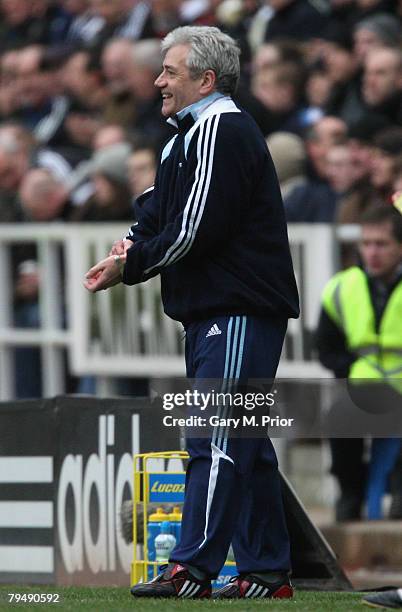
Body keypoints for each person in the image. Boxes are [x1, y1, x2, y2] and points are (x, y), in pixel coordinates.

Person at [84, 25, 299, 600]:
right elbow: (158, 212)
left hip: (237, 310)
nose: (158, 81)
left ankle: (193, 568)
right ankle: (267, 572)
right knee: (243, 444)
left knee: (219, 437)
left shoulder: (221, 130)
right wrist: (127, 248)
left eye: (170, 72)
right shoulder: (187, 136)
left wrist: (136, 265)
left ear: (206, 79)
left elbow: (193, 230)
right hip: (217, 312)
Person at [316, 206, 402, 521]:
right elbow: (326, 347)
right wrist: (349, 371)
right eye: (366, 244)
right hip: (364, 387)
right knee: (339, 416)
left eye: (382, 244)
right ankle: (350, 493)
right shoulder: (343, 287)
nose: (372, 252)